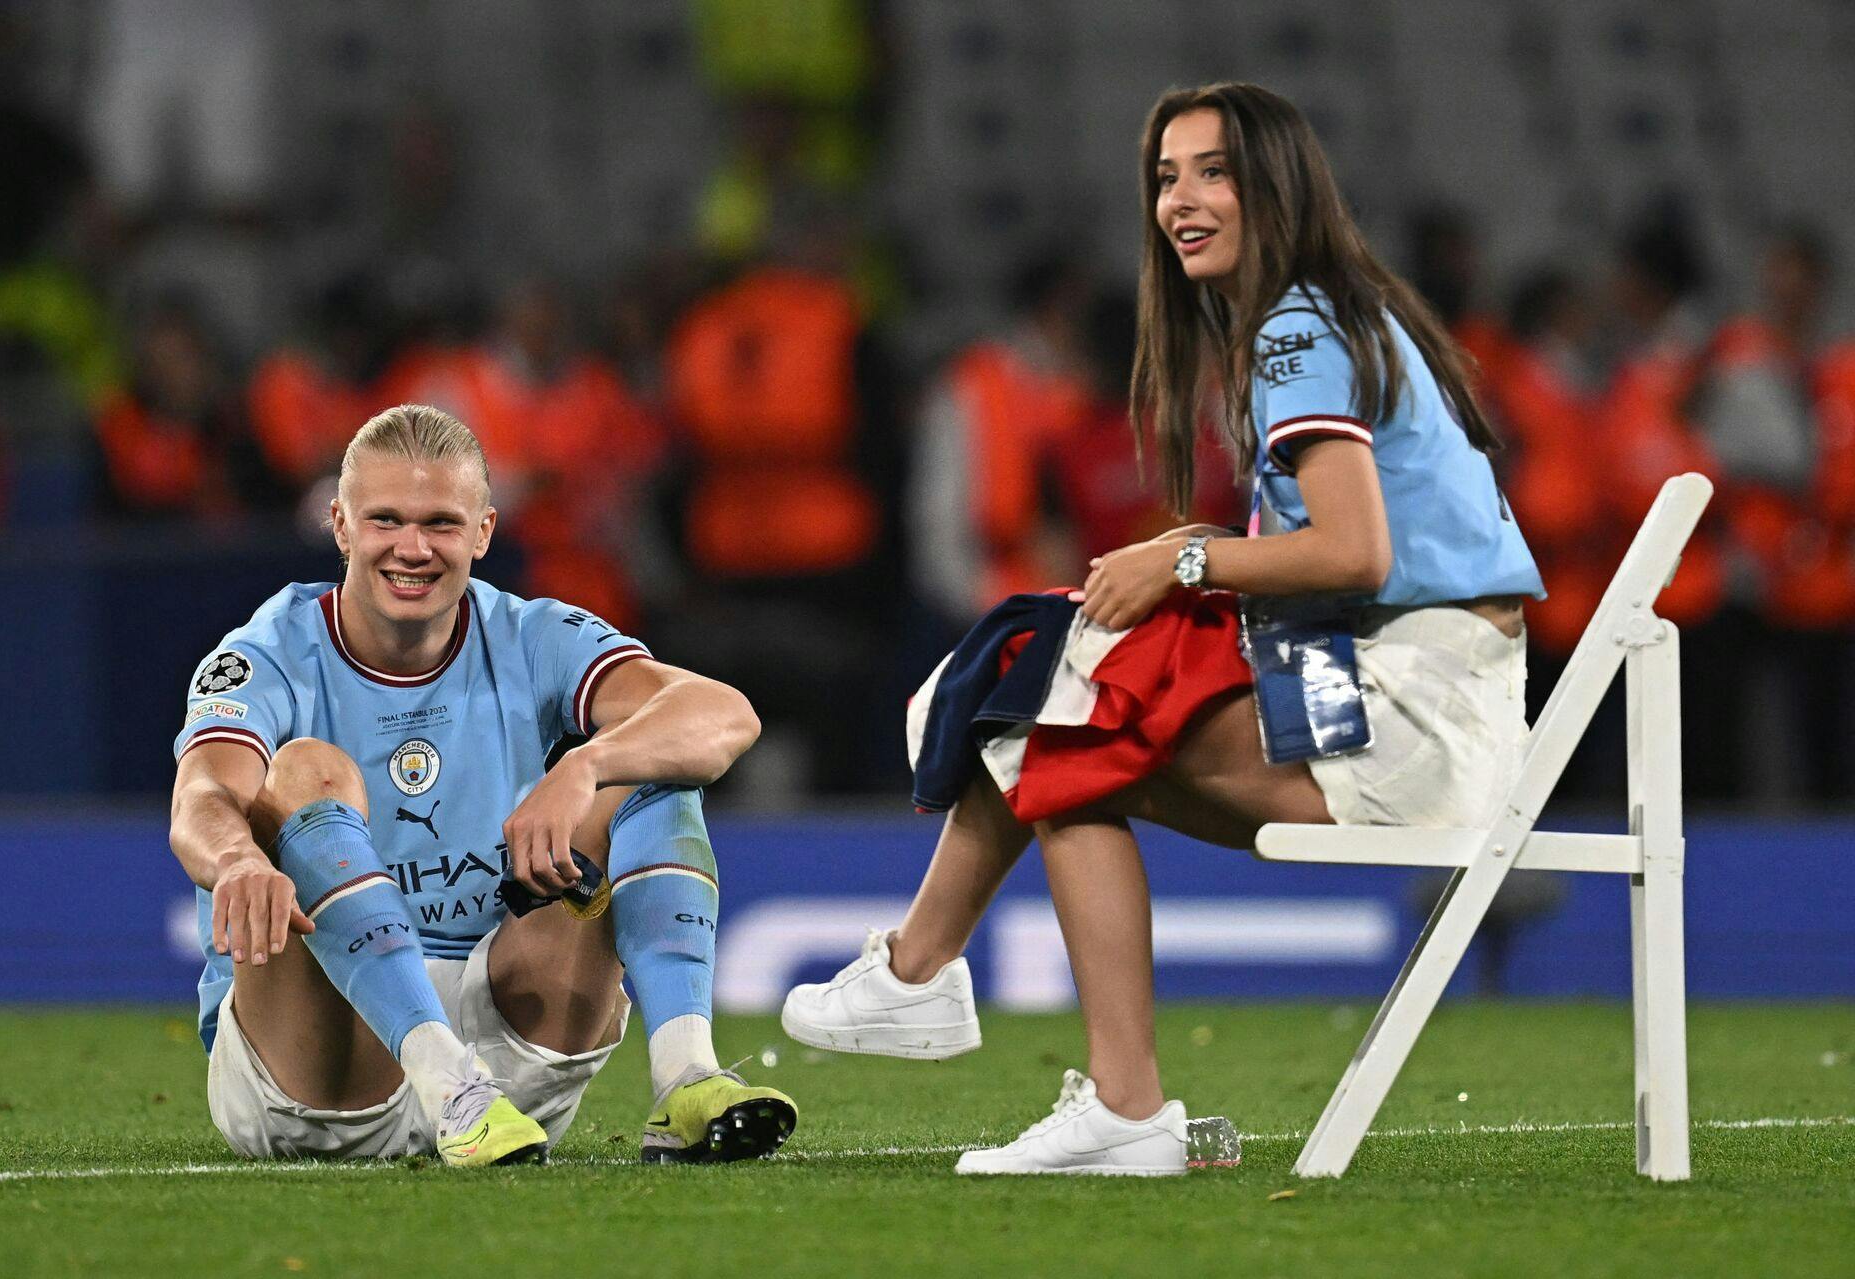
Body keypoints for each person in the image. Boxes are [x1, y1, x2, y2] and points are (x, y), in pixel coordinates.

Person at [782, 82, 1542, 1176]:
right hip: (1420, 693)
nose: (1179, 200)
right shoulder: (1321, 312)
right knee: (1056, 730)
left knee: (1042, 669)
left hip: (1403, 704)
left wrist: (1179, 555)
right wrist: (1191, 544)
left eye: (1212, 172)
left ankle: (927, 980)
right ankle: (1080, 1081)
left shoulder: (1294, 328)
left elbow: (1353, 554)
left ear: (1274, 186)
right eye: (1165, 176)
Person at [170, 403, 795, 1167]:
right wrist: (236, 859)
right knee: (306, 769)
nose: (412, 548)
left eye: (440, 522)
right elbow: (201, 796)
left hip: (508, 1071)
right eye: (385, 520)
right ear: (339, 525)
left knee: (651, 759)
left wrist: (586, 764)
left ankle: (688, 1077)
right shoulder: (268, 651)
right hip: (327, 1073)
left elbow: (723, 714)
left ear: (483, 532)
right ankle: (442, 1078)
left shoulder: (533, 635)